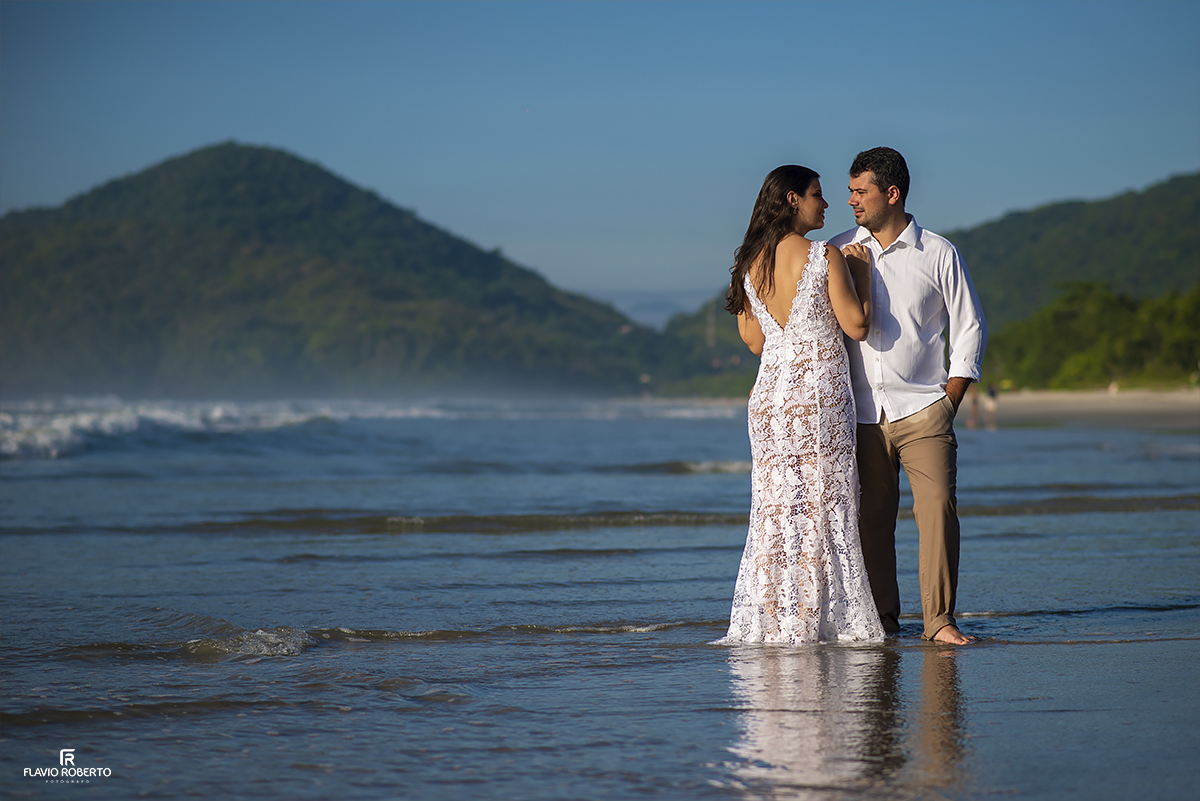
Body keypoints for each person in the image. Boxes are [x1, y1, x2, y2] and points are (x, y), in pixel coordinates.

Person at [829, 147, 987, 645]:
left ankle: (939, 621)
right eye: (850, 190)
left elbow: (970, 328)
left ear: (891, 193)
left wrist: (950, 400)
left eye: (861, 191)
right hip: (860, 414)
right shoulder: (835, 249)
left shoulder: (938, 252)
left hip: (924, 408)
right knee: (871, 518)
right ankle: (883, 621)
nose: (850, 199)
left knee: (937, 508)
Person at [722, 165, 884, 643]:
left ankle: (777, 621)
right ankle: (822, 620)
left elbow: (754, 342)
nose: (827, 204)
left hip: (771, 397)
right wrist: (862, 275)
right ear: (792, 199)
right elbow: (856, 325)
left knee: (775, 510)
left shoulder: (750, 265)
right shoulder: (824, 256)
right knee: (823, 505)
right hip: (817, 395)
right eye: (817, 195)